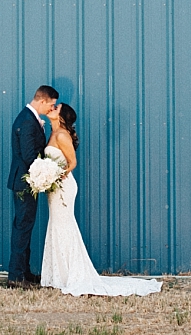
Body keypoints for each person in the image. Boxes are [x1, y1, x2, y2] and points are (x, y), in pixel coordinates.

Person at [40, 103, 161, 297]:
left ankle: (72, 274)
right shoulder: (53, 133)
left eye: (56, 107)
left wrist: (55, 174)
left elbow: (72, 163)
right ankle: (59, 275)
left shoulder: (62, 135)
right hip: (54, 188)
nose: (52, 108)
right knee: (56, 225)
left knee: (63, 225)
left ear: (61, 116)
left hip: (63, 186)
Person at [6, 85, 58, 288]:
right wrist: (45, 170)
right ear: (42, 100)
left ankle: (23, 272)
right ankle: (16, 276)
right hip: (24, 182)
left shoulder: (28, 118)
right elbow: (30, 156)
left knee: (24, 226)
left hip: (27, 181)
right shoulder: (27, 121)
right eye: (51, 104)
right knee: (22, 227)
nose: (51, 109)